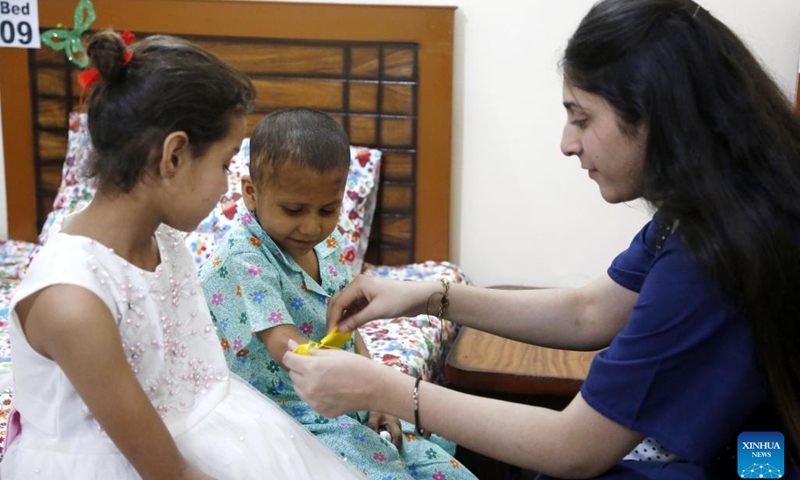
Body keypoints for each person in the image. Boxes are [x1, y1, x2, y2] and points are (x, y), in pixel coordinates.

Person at [282, 0, 800, 479]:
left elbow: (575, 446)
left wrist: (386, 388)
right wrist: (430, 295)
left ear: (656, 116)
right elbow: (589, 311)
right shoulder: (708, 208)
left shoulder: (709, 255)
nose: (566, 144)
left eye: (582, 117)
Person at [2, 32, 364, 480]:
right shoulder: (72, 302)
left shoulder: (164, 240)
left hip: (213, 424)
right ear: (174, 156)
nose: (229, 183)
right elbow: (166, 471)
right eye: (225, 163)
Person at [200, 108, 477, 480]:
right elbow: (281, 341)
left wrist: (376, 394)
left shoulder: (328, 241)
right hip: (294, 408)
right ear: (251, 192)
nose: (312, 225)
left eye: (328, 209)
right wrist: (354, 384)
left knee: (445, 468)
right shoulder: (243, 257)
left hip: (344, 390)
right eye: (294, 209)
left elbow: (348, 322)